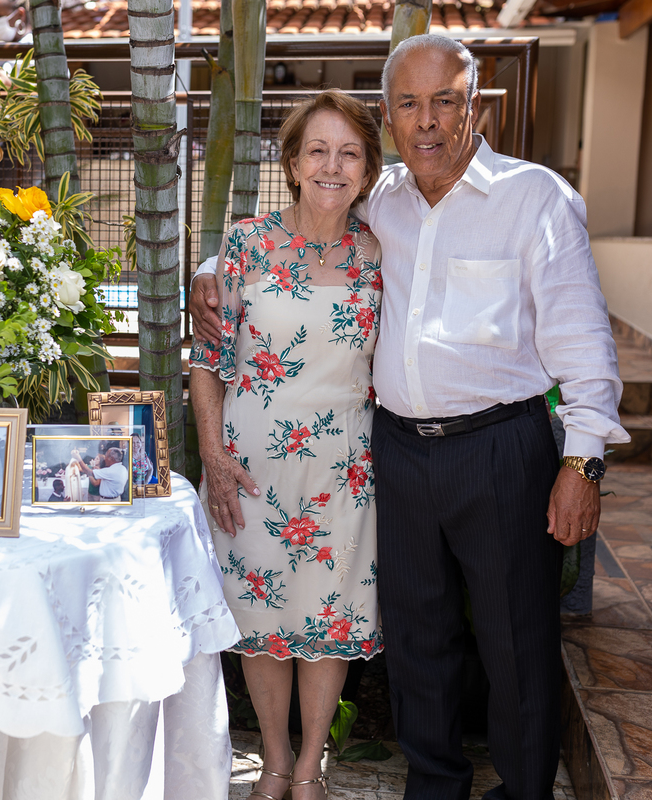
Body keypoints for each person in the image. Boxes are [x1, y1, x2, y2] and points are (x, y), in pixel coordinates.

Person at [190, 36, 629, 800]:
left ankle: (523, 790)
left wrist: (583, 459)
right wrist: (207, 270)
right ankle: (431, 786)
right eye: (408, 104)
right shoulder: (381, 201)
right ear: (390, 118)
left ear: (473, 105)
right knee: (419, 638)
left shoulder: (532, 199)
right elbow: (262, 269)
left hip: (492, 446)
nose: (427, 121)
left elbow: (583, 338)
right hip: (389, 452)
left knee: (514, 638)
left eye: (444, 101)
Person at [190, 89, 384, 800]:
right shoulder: (245, 244)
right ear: (293, 164)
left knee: (328, 619)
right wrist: (213, 457)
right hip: (250, 467)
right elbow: (207, 361)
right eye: (318, 151)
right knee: (260, 616)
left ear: (367, 171)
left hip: (345, 469)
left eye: (349, 153)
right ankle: (274, 761)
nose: (332, 166)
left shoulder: (383, 252)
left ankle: (310, 768)